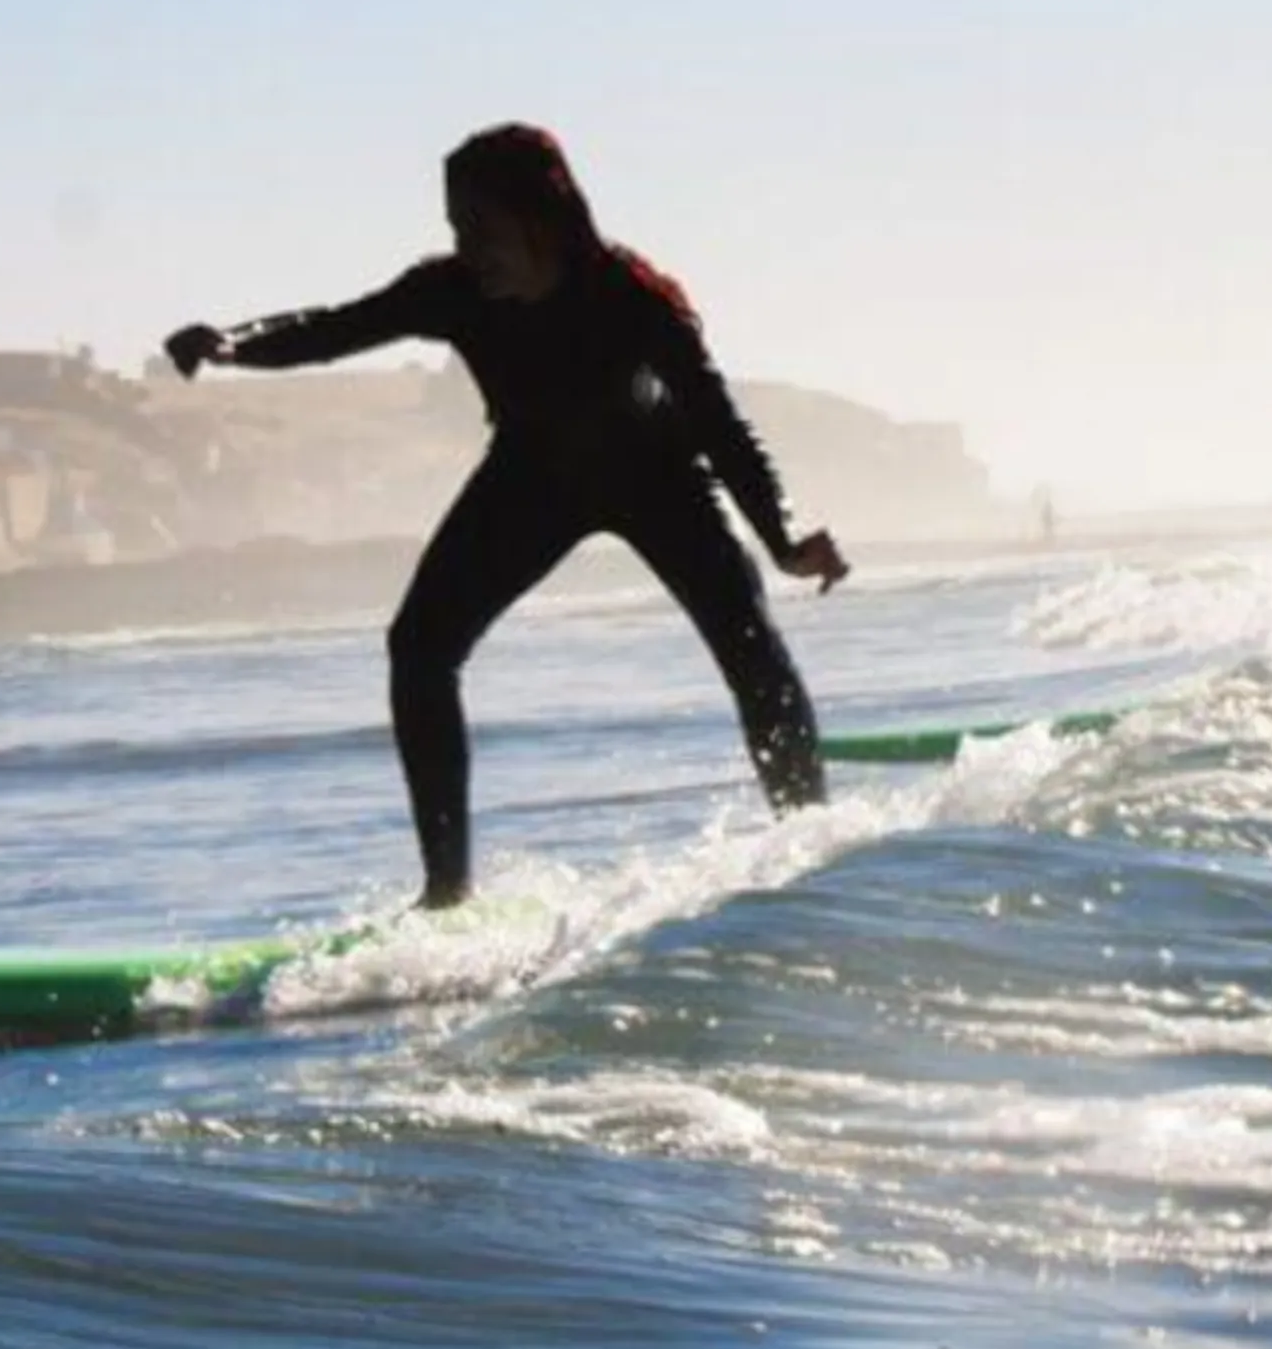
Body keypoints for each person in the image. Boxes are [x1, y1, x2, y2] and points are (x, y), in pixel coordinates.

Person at [163, 123, 850, 907]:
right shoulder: (452, 290)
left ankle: (813, 849)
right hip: (532, 478)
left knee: (749, 640)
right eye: (457, 227)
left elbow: (720, 424)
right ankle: (447, 895)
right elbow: (334, 329)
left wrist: (784, 535)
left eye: (482, 228)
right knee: (418, 647)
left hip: (659, 480)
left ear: (543, 218)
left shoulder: (637, 298)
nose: (469, 247)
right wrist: (230, 346)